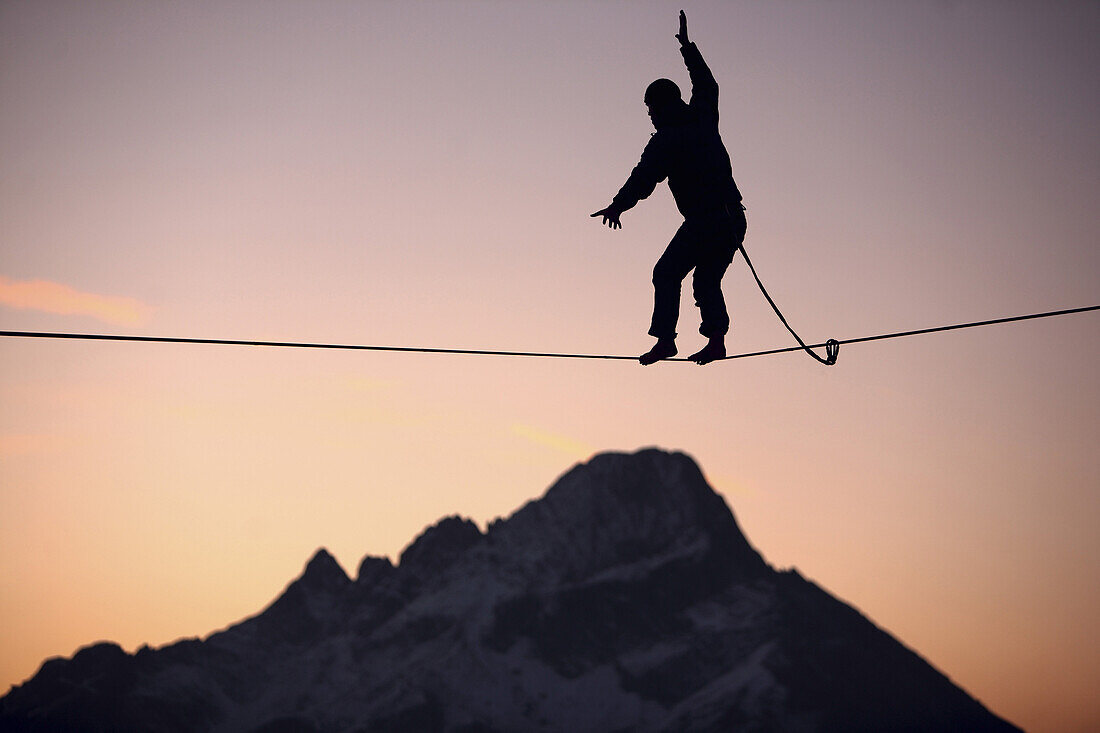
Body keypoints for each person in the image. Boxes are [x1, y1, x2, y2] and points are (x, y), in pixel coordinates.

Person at [592, 10, 746, 365]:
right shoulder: (702, 117)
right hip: (733, 219)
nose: (649, 115)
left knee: (667, 272)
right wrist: (687, 48)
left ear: (663, 104)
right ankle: (716, 341)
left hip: (708, 220)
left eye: (650, 108)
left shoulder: (668, 139)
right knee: (706, 281)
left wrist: (617, 206)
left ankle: (665, 340)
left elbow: (643, 179)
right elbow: (708, 86)